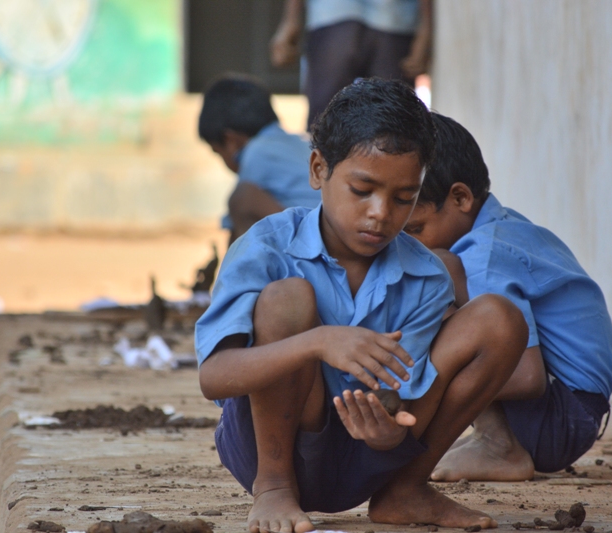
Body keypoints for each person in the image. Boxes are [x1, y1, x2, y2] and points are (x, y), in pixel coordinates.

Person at [195, 78, 529, 533]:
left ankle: (405, 491)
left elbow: (396, 396)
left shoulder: (426, 276)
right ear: (318, 171)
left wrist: (390, 430)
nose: (380, 212)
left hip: (366, 457)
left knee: (499, 318)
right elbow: (213, 377)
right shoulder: (267, 248)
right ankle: (274, 489)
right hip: (265, 451)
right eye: (362, 190)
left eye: (403, 198)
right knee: (288, 298)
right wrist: (317, 343)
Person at [403, 113, 612, 481]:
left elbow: (526, 377)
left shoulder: (483, 258)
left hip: (560, 418)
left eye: (416, 229)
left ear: (460, 197)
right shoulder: (501, 228)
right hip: (571, 410)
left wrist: (422, 389)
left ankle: (499, 445)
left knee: (435, 271)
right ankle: (490, 439)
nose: (409, 243)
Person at [270, 0, 432, 129]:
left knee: (324, 125)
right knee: (394, 126)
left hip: (336, 14)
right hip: (392, 16)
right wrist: (426, 24)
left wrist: (290, 19)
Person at [199, 74, 321, 243]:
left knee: (242, 199)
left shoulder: (257, 152)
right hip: (338, 241)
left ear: (230, 141)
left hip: (320, 250)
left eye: (217, 152)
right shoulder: (301, 142)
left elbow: (234, 227)